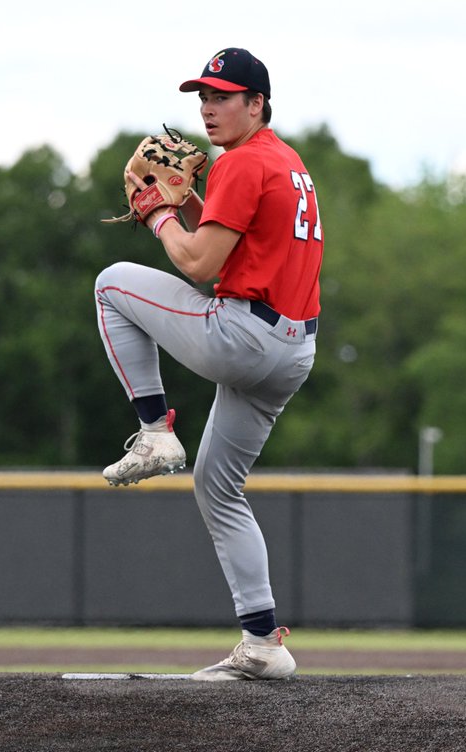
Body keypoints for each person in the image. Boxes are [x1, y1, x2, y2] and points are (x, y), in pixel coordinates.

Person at [94, 47, 323, 680]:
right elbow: (224, 252)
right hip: (292, 349)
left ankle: (155, 431)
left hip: (245, 337)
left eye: (223, 97)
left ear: (257, 104)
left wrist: (160, 211)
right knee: (218, 488)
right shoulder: (285, 161)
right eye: (204, 96)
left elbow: (196, 265)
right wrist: (191, 204)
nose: (208, 107)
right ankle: (263, 645)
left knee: (112, 283)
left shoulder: (243, 164)